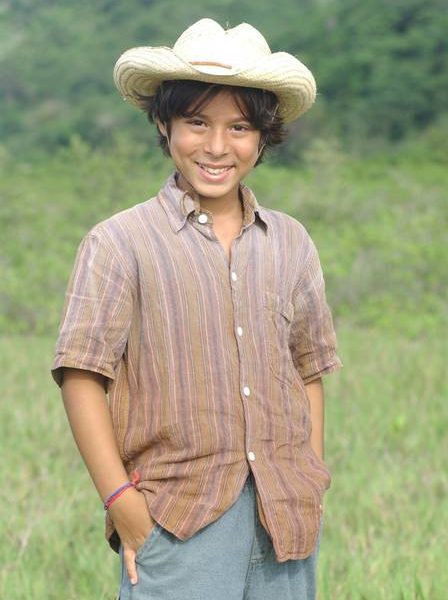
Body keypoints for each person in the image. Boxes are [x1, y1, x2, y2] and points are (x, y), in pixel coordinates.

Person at [52, 18, 342, 600]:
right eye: (197, 122)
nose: (216, 146)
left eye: (239, 127)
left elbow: (307, 368)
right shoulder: (120, 242)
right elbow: (82, 375)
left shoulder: (290, 242)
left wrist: (309, 477)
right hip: (176, 520)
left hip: (285, 519)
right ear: (165, 124)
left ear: (263, 136)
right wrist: (121, 502)